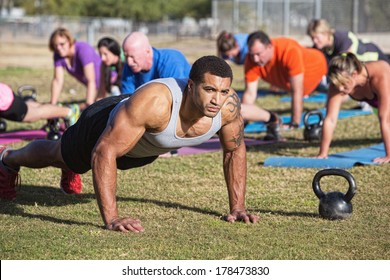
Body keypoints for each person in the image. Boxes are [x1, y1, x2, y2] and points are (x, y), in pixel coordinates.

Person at [0, 56, 259, 232]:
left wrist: (237, 207)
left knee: (79, 162)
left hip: (141, 149)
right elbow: (105, 151)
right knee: (60, 154)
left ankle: (69, 166)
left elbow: (234, 151)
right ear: (191, 86)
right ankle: (9, 160)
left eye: (223, 91)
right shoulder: (156, 103)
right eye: (209, 90)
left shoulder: (229, 108)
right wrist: (112, 219)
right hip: (105, 123)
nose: (217, 99)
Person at [242, 30, 327, 129]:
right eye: (252, 55)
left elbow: (297, 91)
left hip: (320, 74)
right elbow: (250, 94)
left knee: (340, 92)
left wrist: (294, 122)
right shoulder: (251, 60)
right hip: (293, 85)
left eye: (258, 54)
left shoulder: (289, 50)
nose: (255, 59)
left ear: (269, 47)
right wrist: (243, 120)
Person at [317, 52, 390, 163]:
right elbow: (330, 119)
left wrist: (388, 155)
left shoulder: (379, 74)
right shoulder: (338, 83)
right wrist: (323, 153)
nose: (340, 89)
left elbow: (385, 119)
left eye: (343, 84)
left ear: (354, 74)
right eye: (337, 84)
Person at [121, 31, 191, 94]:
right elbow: (127, 99)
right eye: (126, 56)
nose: (129, 62)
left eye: (133, 57)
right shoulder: (130, 66)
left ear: (147, 51)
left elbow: (175, 98)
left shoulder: (169, 61)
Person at [49, 27, 102, 111]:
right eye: (55, 45)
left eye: (62, 44)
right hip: (97, 89)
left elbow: (91, 80)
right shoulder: (58, 54)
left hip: (110, 84)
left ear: (70, 41)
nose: (58, 48)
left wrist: (89, 106)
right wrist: (52, 105)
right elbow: (57, 80)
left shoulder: (83, 49)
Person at [307, 18, 390, 65]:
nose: (314, 41)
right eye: (312, 38)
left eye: (317, 37)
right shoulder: (321, 47)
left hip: (374, 57)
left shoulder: (342, 38)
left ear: (326, 33)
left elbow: (343, 65)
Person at [0, 83, 80, 127]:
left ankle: (68, 112)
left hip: (5, 100)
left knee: (32, 114)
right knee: (30, 109)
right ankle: (58, 109)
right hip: (4, 93)